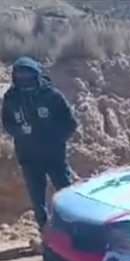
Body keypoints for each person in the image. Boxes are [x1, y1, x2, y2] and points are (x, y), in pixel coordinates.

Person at [1, 57, 77, 233]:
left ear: (36, 74)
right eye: (19, 74)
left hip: (54, 155)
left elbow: (70, 123)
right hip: (28, 156)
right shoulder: (11, 97)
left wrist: (56, 140)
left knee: (65, 191)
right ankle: (45, 231)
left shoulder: (51, 95)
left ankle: (74, 227)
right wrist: (19, 131)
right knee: (37, 197)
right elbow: (7, 123)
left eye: (27, 73)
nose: (23, 77)